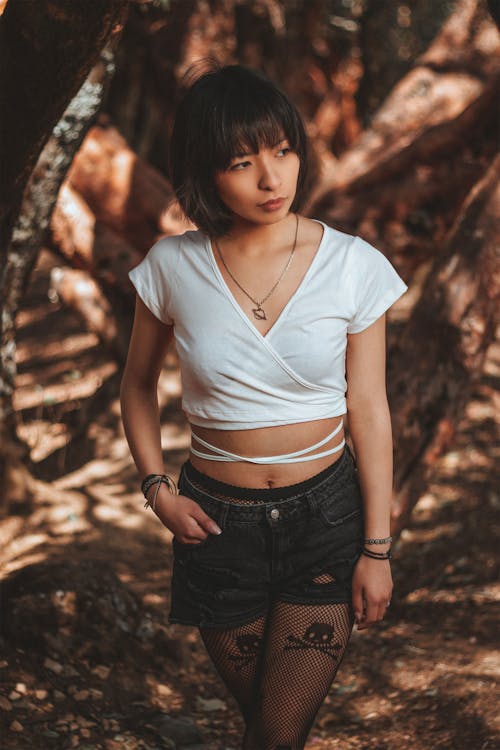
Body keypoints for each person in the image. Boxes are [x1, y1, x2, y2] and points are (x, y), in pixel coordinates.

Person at [120, 62, 408, 750]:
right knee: (269, 726)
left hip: (326, 520)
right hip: (217, 530)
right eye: (243, 161)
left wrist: (377, 547)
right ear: (204, 171)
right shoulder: (171, 266)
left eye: (283, 151)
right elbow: (135, 385)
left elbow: (369, 408)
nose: (272, 178)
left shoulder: (352, 265)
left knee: (275, 732)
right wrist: (156, 490)